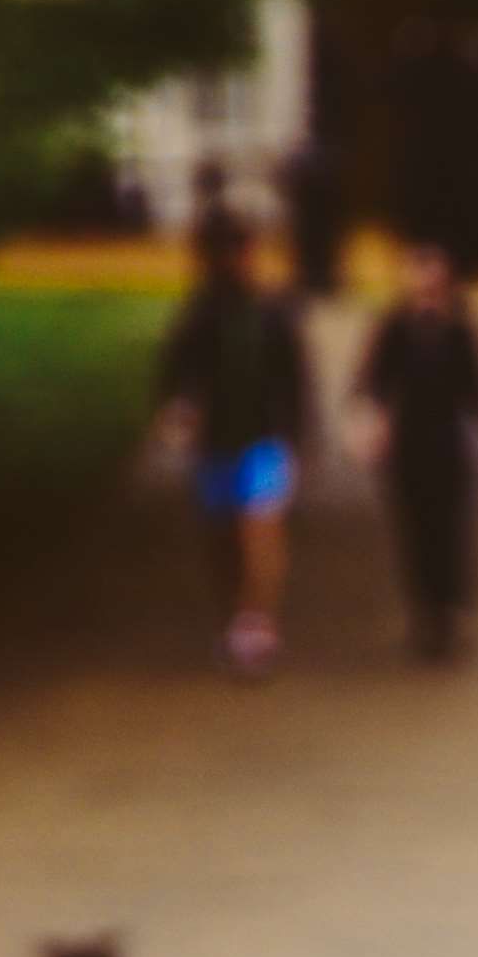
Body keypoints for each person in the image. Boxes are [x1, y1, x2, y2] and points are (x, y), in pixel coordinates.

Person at [151, 209, 313, 677]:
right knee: (221, 538)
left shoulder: (271, 311)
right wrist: (178, 408)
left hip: (263, 439)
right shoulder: (199, 312)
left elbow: (294, 378)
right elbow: (175, 373)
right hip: (215, 442)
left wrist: (298, 440)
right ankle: (232, 617)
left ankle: (257, 621)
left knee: (260, 527)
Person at [349, 245, 478, 660]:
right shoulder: (394, 326)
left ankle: (452, 612)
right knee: (414, 531)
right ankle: (424, 613)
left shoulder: (460, 327)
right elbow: (372, 382)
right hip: (407, 445)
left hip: (450, 443)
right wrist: (372, 423)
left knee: (451, 531)